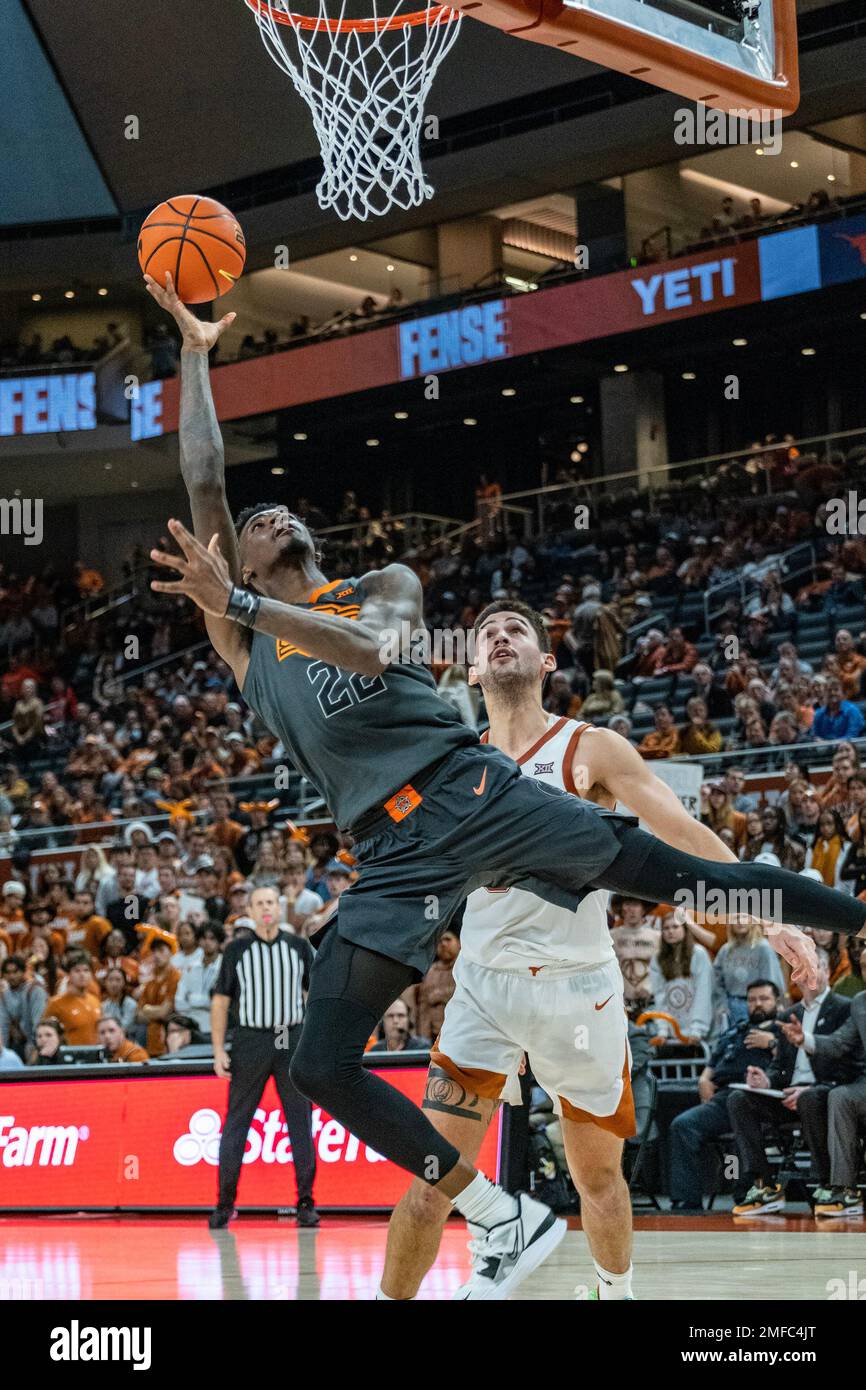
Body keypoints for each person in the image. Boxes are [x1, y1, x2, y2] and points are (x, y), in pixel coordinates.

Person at [144, 271, 847, 1299]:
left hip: (467, 788)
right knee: (318, 1063)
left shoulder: (378, 591)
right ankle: (498, 1212)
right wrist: (196, 354)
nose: (271, 512)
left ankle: (841, 917)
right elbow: (204, 478)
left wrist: (244, 596)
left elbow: (374, 652)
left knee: (670, 871)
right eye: (256, 518)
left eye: (281, 510)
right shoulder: (248, 651)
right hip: (388, 858)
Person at [378, 605, 802, 1304]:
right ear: (473, 667)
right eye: (488, 635)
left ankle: (616, 1292)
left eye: (518, 629)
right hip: (483, 987)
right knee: (432, 1177)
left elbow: (683, 833)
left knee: (598, 1180)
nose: (502, 637)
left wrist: (771, 911)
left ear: (546, 662)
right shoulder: (453, 764)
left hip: (581, 990)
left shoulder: (590, 749)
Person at [209, 885, 318, 1229]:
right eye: (259, 904)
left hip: (292, 1038)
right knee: (236, 1123)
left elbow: (315, 995)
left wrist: (314, 1042)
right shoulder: (236, 950)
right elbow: (221, 1002)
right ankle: (224, 1203)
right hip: (250, 1040)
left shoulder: (299, 947)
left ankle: (305, 1202)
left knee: (300, 1122)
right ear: (250, 911)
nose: (266, 908)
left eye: (271, 902)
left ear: (279, 907)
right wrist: (217, 1050)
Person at [728, 950, 852, 1215]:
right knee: (740, 1099)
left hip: (824, 1093)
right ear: (795, 976)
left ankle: (826, 1182)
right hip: (786, 1096)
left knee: (810, 1098)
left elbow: (850, 1066)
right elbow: (779, 1067)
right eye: (803, 967)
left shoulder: (844, 1008)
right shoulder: (789, 1015)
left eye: (816, 966)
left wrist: (810, 1088)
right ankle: (763, 1183)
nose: (810, 972)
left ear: (827, 972)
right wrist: (765, 1080)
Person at [668, 980, 785, 1211]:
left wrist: (772, 1042)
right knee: (682, 1125)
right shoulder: (736, 1030)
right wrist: (703, 1079)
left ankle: (745, 1194)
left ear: (777, 1003)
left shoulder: (783, 1029)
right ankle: (687, 1200)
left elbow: (795, 1062)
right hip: (722, 1097)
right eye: (752, 1000)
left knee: (741, 1120)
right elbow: (713, 1063)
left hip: (759, 1099)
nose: (757, 1004)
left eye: (764, 999)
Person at [782, 992, 866, 1217]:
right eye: (865, 967)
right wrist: (804, 1039)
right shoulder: (859, 1002)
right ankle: (844, 1190)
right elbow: (840, 1042)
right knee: (839, 1096)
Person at [648, 914, 713, 1041]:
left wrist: (697, 1029)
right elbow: (660, 996)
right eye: (666, 928)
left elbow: (703, 993)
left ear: (685, 929)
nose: (670, 931)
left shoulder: (699, 954)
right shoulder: (657, 959)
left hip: (697, 1030)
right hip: (671, 1030)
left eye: (675, 927)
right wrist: (663, 1030)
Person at [174, 920, 224, 1035]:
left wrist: (193, 1000)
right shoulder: (191, 967)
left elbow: (221, 1004)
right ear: (199, 940)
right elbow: (179, 1001)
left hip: (216, 1024)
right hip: (191, 1023)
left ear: (219, 942)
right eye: (204, 938)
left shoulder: (225, 967)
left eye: (212, 938)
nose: (207, 942)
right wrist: (205, 1003)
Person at [0, 954, 47, 1062]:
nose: (12, 976)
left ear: (23, 972)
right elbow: (3, 1027)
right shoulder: (4, 995)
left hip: (34, 1044)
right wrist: (4, 1055)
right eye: (8, 972)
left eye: (15, 972)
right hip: (15, 1045)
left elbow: (38, 1023)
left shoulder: (35, 990)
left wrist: (37, 1050)